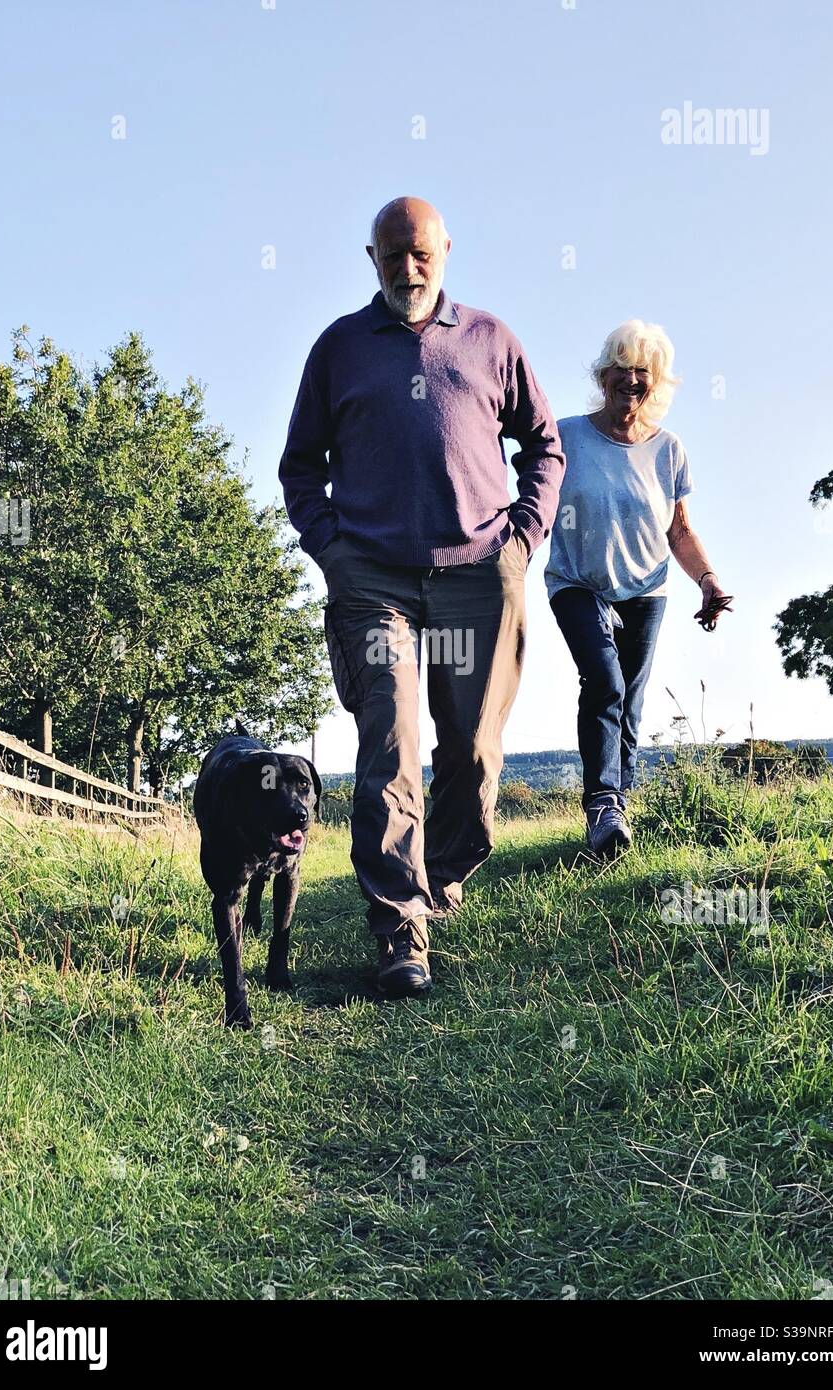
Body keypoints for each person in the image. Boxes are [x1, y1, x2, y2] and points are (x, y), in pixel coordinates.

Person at [279, 197, 564, 996]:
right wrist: (332, 550)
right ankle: (399, 931)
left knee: (470, 757)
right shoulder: (338, 348)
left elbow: (546, 445)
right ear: (370, 258)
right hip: (373, 582)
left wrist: (522, 541)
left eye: (422, 255)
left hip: (479, 573)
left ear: (446, 252)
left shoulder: (491, 340)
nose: (409, 268)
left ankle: (438, 880)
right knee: (393, 745)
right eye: (392, 255)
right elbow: (300, 468)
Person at [545, 319, 731, 858]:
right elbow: (537, 502)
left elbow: (680, 530)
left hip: (646, 589)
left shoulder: (668, 449)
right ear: (603, 377)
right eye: (621, 370)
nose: (631, 380)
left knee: (631, 700)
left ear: (658, 384)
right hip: (577, 582)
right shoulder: (567, 435)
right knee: (604, 683)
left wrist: (708, 580)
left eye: (643, 373)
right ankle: (602, 803)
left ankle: (615, 813)